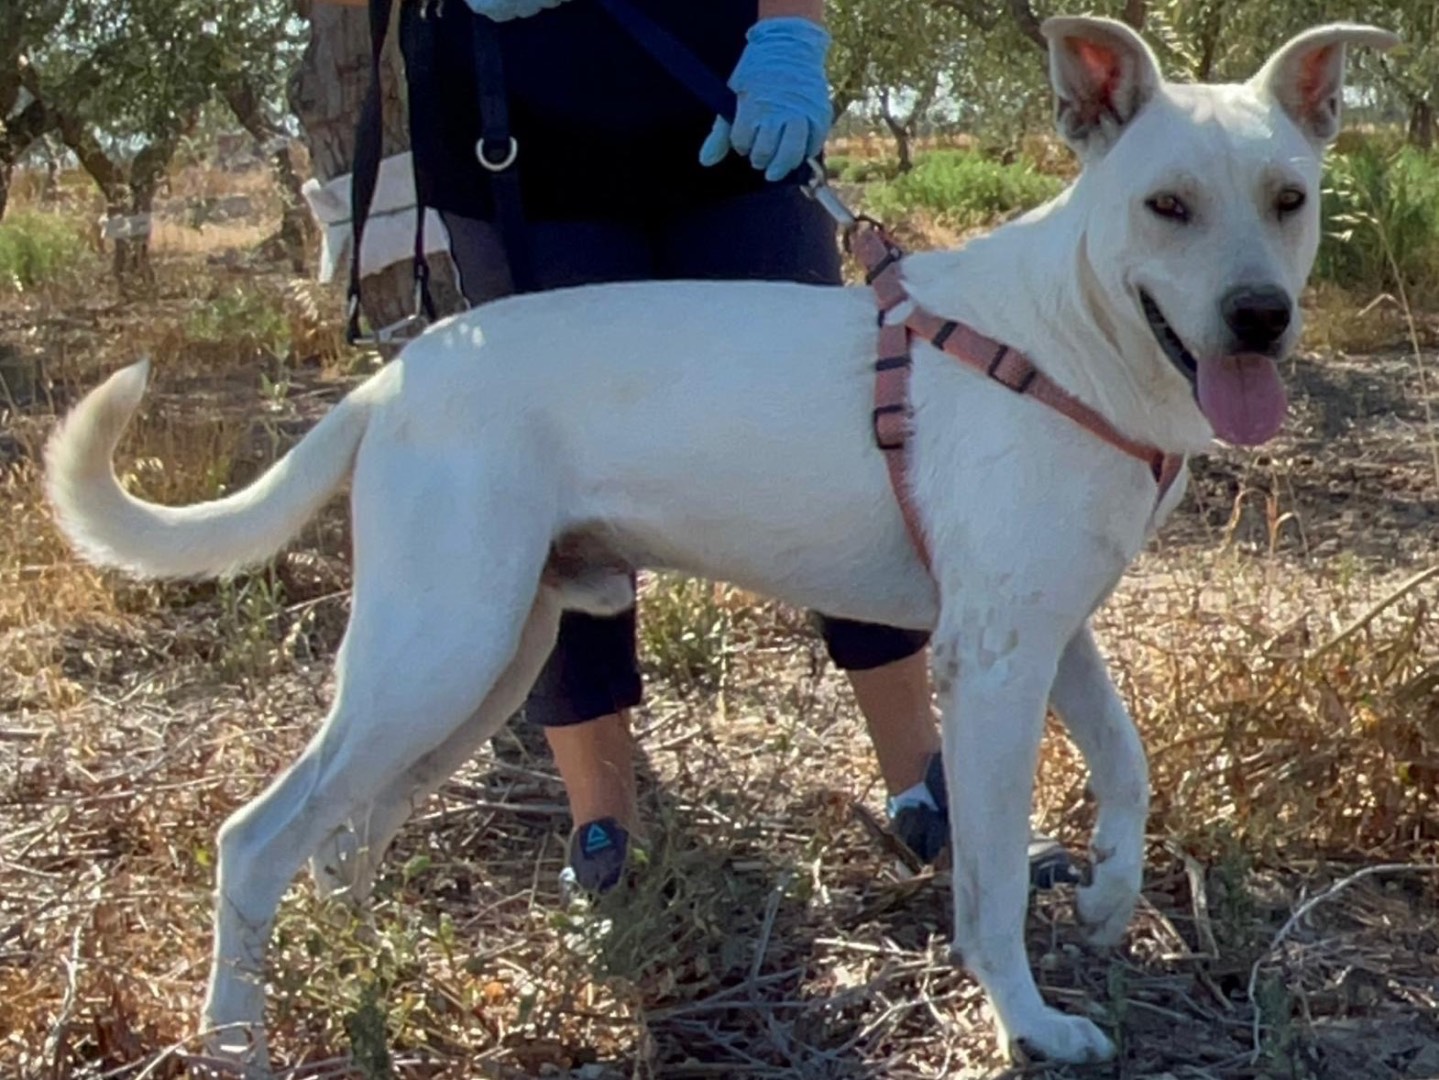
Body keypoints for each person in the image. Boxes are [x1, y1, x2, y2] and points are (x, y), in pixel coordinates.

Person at [391, 0, 1066, 893]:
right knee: (554, 481)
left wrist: (791, 35)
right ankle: (606, 836)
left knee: (841, 449)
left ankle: (928, 791)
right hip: (509, 128)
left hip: (724, 99)